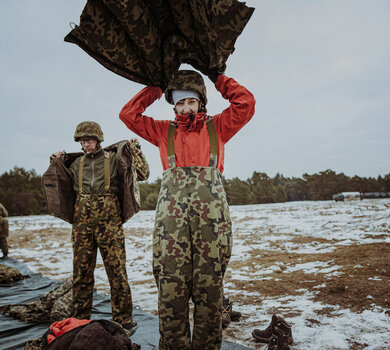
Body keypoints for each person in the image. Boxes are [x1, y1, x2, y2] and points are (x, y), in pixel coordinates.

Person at [119, 70, 255, 349]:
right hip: (172, 232)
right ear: (173, 104)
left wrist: (217, 77)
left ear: (200, 102)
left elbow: (246, 103)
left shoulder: (218, 127)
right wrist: (156, 86)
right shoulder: (162, 131)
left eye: (190, 101)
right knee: (171, 295)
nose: (184, 108)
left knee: (210, 297)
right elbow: (128, 114)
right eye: (179, 102)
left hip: (211, 231)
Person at [47, 121, 149, 330]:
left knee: (117, 271)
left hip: (109, 222)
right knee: (81, 272)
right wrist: (55, 160)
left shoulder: (114, 159)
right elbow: (59, 181)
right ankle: (80, 319)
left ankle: (123, 319)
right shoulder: (74, 164)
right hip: (82, 222)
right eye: (82, 140)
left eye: (89, 139)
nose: (85, 144)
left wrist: (136, 151)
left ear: (98, 139)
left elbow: (143, 174)